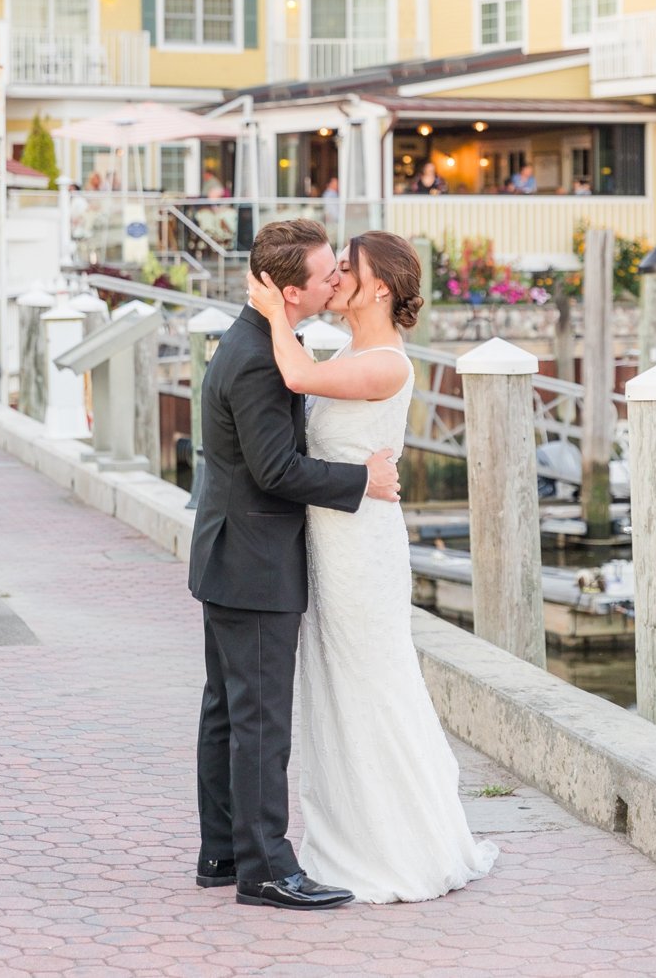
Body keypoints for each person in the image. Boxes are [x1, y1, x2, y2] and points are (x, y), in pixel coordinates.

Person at [247, 231, 498, 903]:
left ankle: (394, 847)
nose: (333, 282)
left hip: (361, 551)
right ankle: (349, 834)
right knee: (334, 687)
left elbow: (295, 377)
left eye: (345, 271)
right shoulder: (344, 349)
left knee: (370, 684)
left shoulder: (386, 362)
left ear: (378, 287)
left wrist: (274, 310)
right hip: (329, 543)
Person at [189, 219, 401, 912]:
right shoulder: (255, 357)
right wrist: (358, 483)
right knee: (258, 722)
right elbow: (275, 468)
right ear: (288, 291)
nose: (334, 281)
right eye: (324, 275)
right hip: (254, 560)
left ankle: (223, 852)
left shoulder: (260, 340)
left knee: (228, 712)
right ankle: (266, 870)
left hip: (235, 554)